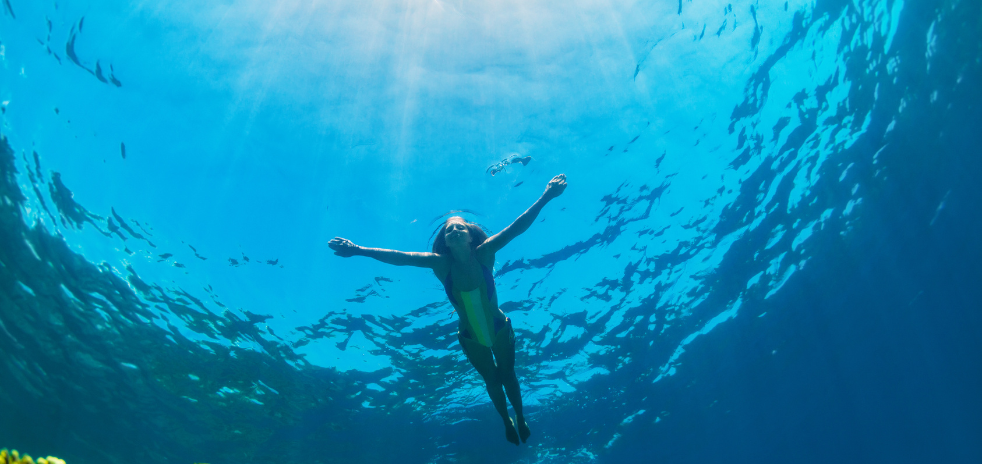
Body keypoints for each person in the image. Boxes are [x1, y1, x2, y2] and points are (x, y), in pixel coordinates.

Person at [328, 174, 568, 445]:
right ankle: (506, 421)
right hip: (469, 338)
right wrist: (358, 249)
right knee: (492, 380)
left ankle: (521, 416)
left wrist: (546, 196)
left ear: (470, 236)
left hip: (500, 329)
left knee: (507, 374)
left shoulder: (485, 253)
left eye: (459, 228)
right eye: (448, 230)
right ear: (445, 240)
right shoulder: (441, 264)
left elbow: (516, 227)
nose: (453, 230)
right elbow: (401, 258)